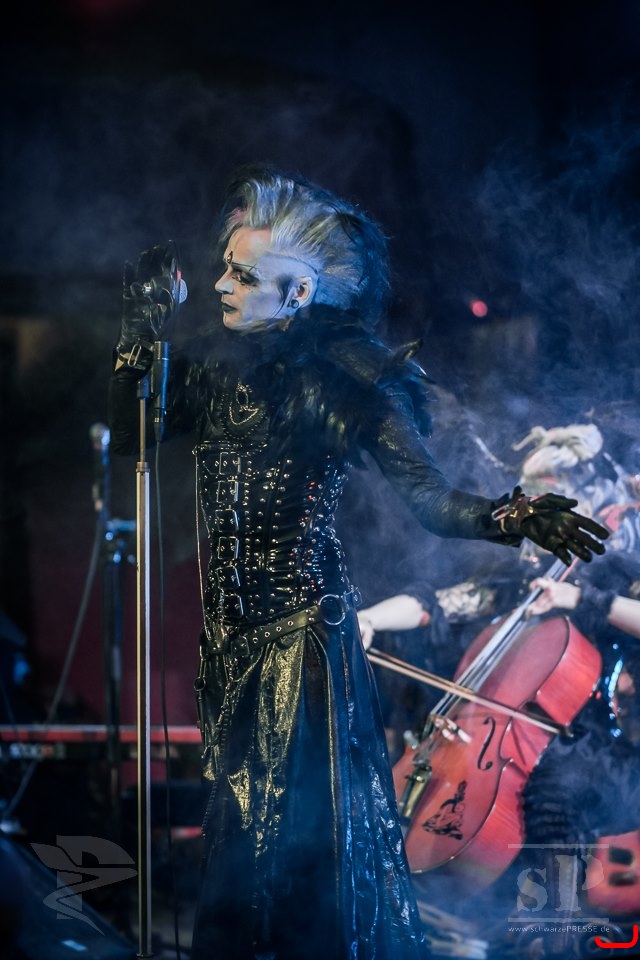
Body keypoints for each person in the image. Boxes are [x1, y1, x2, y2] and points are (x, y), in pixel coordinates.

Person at [107, 164, 609, 960]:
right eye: (224, 268)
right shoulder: (213, 373)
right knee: (239, 832)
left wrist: (512, 514)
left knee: (288, 848)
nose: (221, 285)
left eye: (244, 275)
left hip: (300, 644)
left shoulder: (351, 381)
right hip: (229, 645)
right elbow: (131, 429)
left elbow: (433, 503)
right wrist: (142, 327)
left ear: (299, 292)